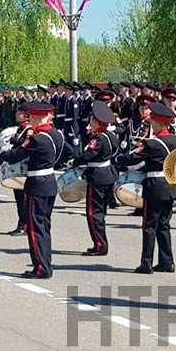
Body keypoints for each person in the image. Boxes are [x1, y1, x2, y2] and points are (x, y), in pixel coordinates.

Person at [0, 100, 71, 279]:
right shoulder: (57, 135)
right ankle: (45, 263)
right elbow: (69, 152)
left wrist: (1, 152)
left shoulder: (37, 139)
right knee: (44, 226)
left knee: (35, 227)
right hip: (49, 182)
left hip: (36, 184)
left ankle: (41, 267)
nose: (28, 118)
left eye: (30, 116)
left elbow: (14, 156)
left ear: (37, 117)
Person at [118, 101, 176, 274]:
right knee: (164, 225)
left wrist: (119, 159)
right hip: (171, 186)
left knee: (149, 225)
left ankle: (146, 263)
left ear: (158, 123)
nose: (150, 124)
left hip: (155, 187)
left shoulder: (152, 143)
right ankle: (167, 262)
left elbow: (132, 158)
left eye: (153, 121)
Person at [73, 101, 119, 256]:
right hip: (108, 174)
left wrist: (74, 161)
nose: (89, 123)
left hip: (98, 177)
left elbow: (88, 155)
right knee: (101, 212)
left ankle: (100, 244)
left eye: (92, 121)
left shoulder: (98, 139)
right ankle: (100, 242)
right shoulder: (111, 135)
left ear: (97, 122)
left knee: (94, 213)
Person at [7, 101, 33, 235]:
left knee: (23, 197)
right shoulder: (20, 128)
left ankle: (25, 225)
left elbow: (27, 145)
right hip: (18, 166)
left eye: (19, 112)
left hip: (24, 167)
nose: (17, 114)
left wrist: (17, 141)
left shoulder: (28, 129)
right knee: (18, 196)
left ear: (26, 115)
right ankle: (21, 223)